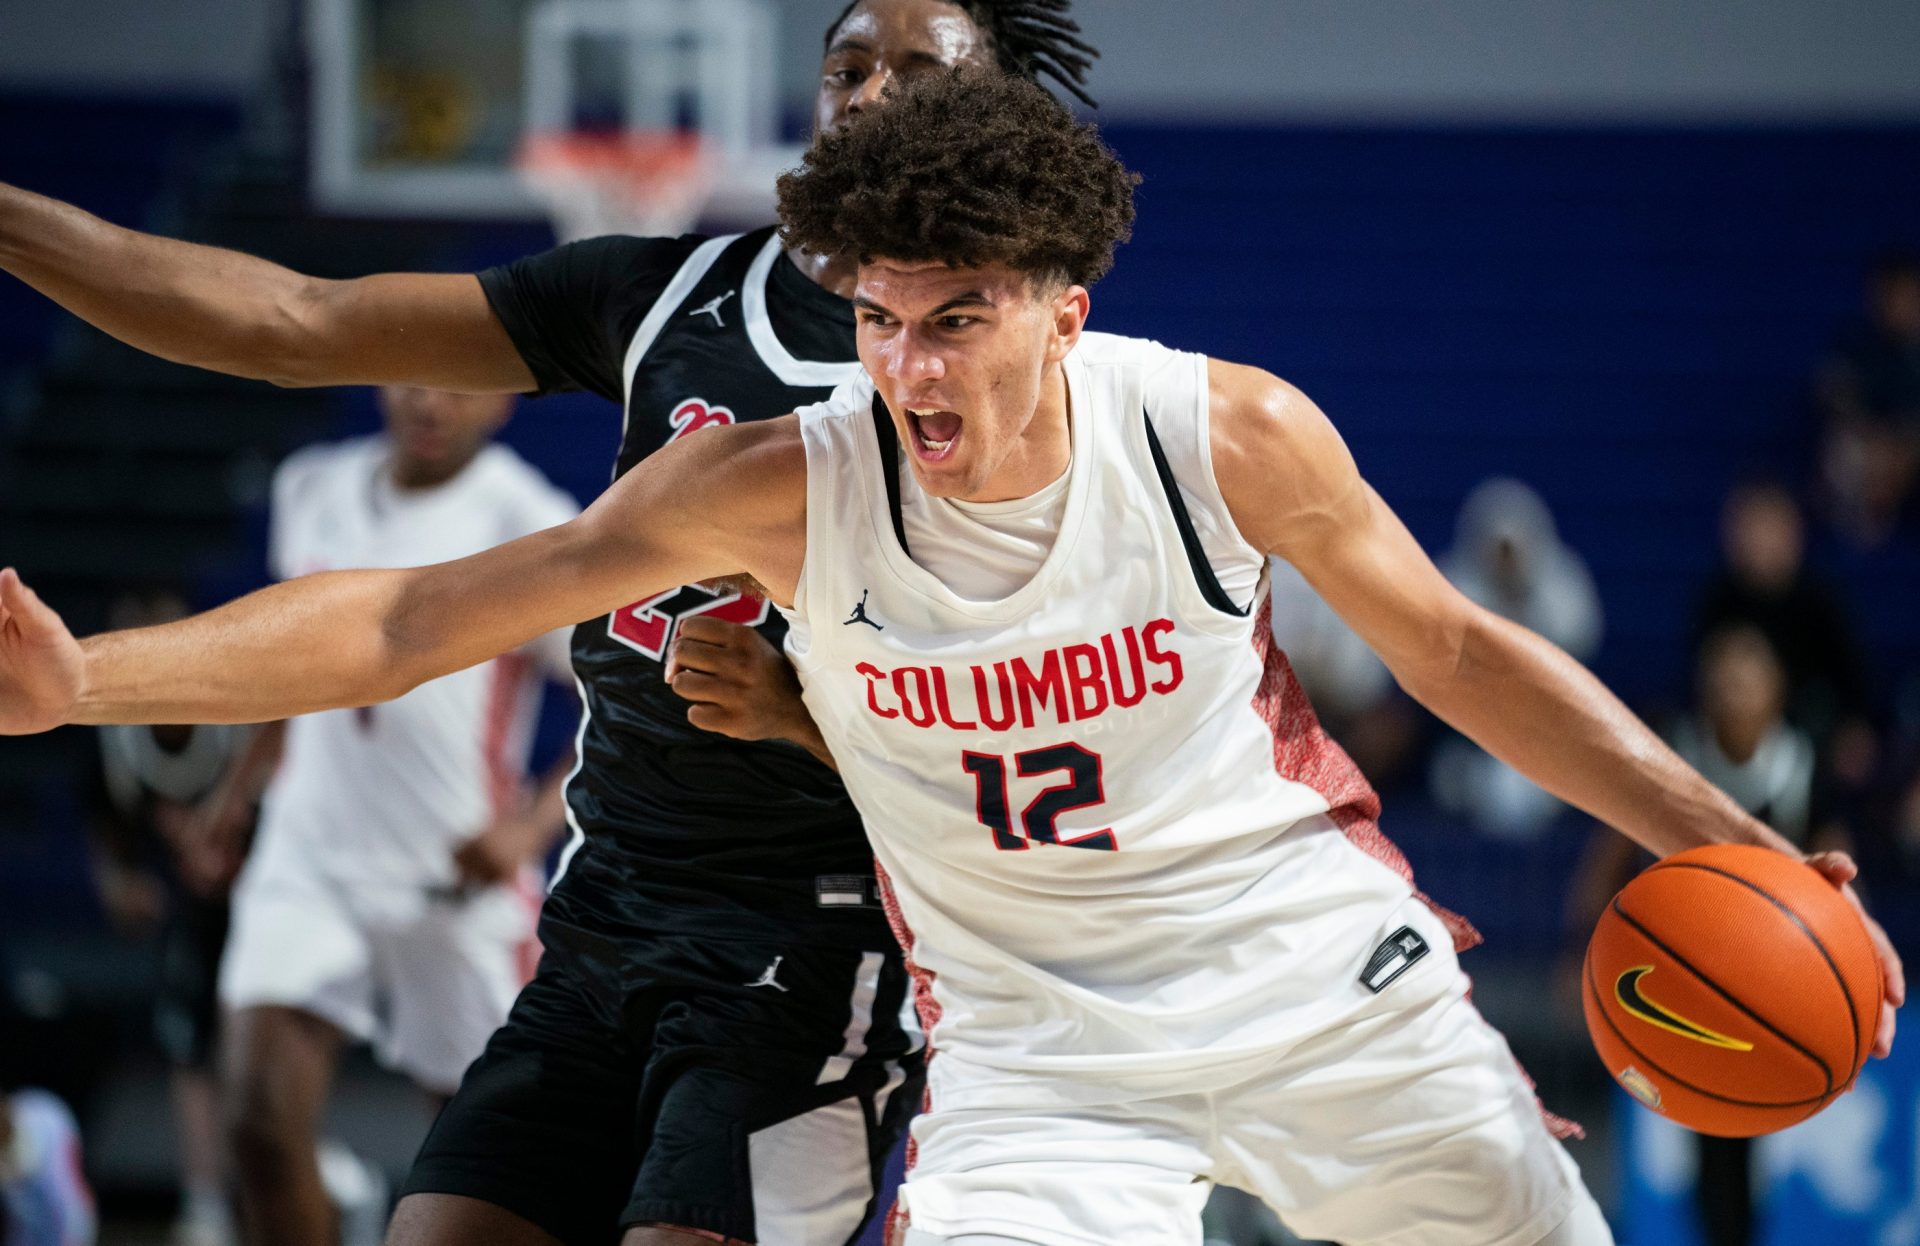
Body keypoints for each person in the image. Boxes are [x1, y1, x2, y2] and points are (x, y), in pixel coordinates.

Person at [2, 71, 1902, 1246]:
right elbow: (417, 617)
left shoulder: (1221, 431)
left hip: (1321, 989)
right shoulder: (774, 486)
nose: (908, 368)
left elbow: (1465, 651)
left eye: (960, 320)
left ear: (1067, 305)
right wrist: (89, 679)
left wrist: (1707, 830)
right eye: (882, 318)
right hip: (1036, 1058)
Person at [0, 5, 1098, 1244]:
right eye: (848, 66)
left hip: (818, 953)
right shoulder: (667, 295)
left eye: (918, 71)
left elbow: (1051, 761)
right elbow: (299, 335)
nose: (873, 94)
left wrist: (804, 719)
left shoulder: (1025, 394)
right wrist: (79, 677)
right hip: (607, 920)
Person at [191, 385, 580, 1246]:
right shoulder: (312, 484)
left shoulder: (532, 520)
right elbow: (286, 658)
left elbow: (613, 700)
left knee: (488, 1158)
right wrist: (235, 793)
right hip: (308, 851)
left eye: (456, 380)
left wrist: (527, 827)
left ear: (503, 402)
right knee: (254, 1121)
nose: (429, 399)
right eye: (409, 371)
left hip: (450, 870)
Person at [83, 587, 251, 1246]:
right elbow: (109, 831)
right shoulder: (117, 738)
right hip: (191, 903)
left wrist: (228, 842)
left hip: (268, 890)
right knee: (190, 1044)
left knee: (258, 1041)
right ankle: (207, 1196)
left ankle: (271, 1178)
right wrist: (121, 881)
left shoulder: (236, 708)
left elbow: (282, 782)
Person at [1431, 477, 1603, 840]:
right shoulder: (1451, 587)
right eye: (1498, 549)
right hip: (1471, 731)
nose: (1505, 559)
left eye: (1513, 549)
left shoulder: (1564, 592)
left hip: (1546, 731)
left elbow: (1574, 666)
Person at [1818, 250, 1920, 545]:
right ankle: (1859, 538)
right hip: (1868, 446)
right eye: (1891, 293)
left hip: (1911, 448)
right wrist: (1873, 437)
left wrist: (1903, 443)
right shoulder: (1854, 349)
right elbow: (1835, 398)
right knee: (1845, 455)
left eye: (1908, 293)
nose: (1900, 303)